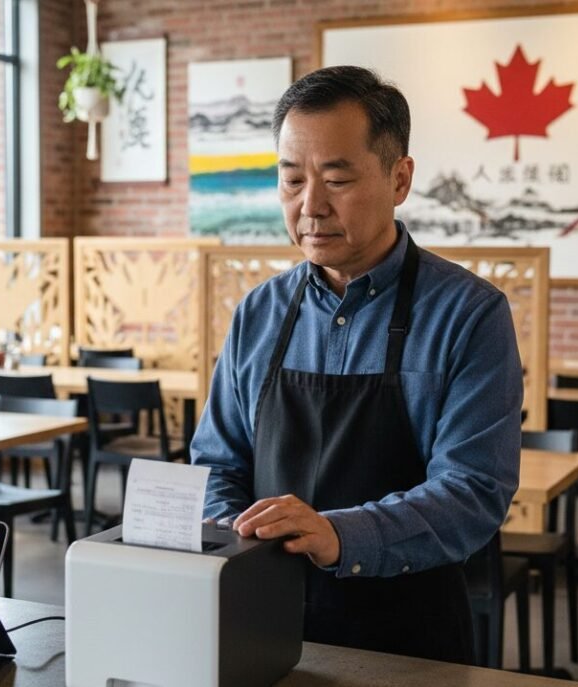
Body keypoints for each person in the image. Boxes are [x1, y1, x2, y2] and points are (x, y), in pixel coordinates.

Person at [190, 66, 522, 664]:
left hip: (409, 641)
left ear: (400, 179)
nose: (310, 205)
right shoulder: (258, 313)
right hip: (261, 623)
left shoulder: (469, 314)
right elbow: (216, 462)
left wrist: (339, 534)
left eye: (337, 178)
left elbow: (474, 491)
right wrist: (236, 534)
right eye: (291, 181)